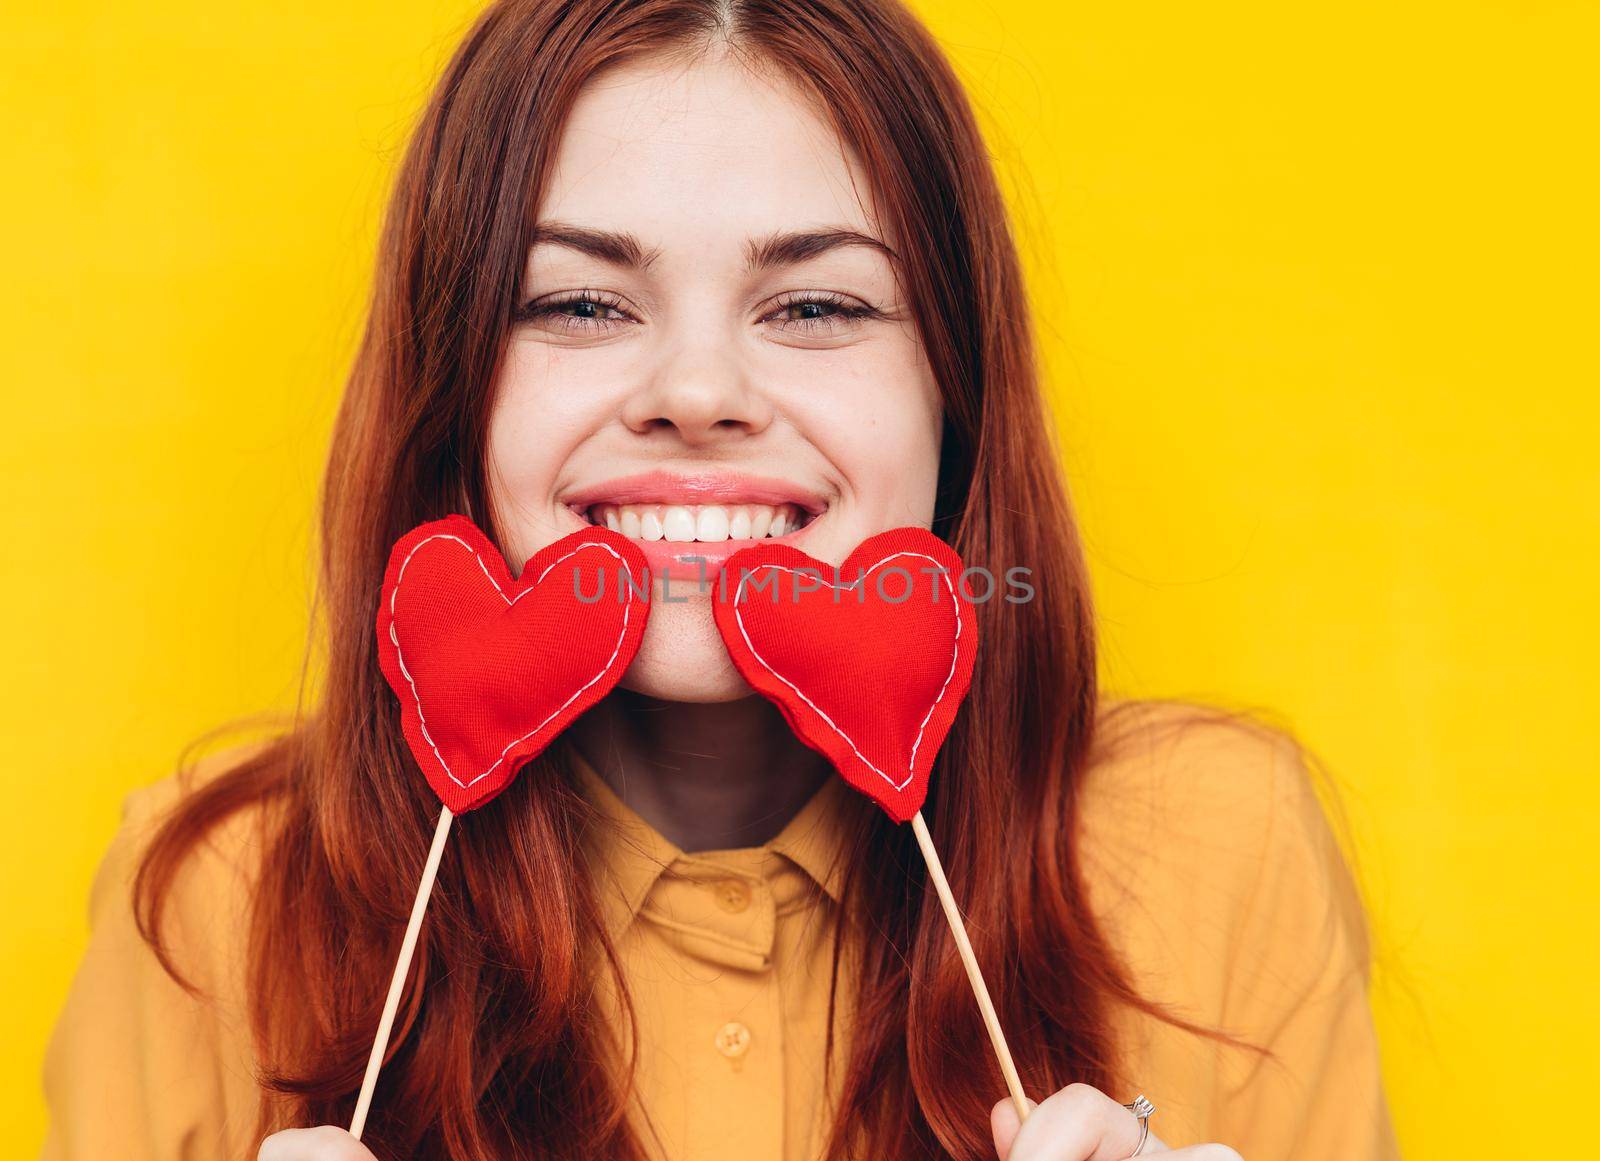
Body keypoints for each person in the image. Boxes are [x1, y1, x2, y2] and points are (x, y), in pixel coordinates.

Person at [39, 1, 1402, 1158]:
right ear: (459, 396)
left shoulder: (1220, 851)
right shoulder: (213, 906)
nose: (696, 394)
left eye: (815, 306)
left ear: (956, 397)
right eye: (579, 303)